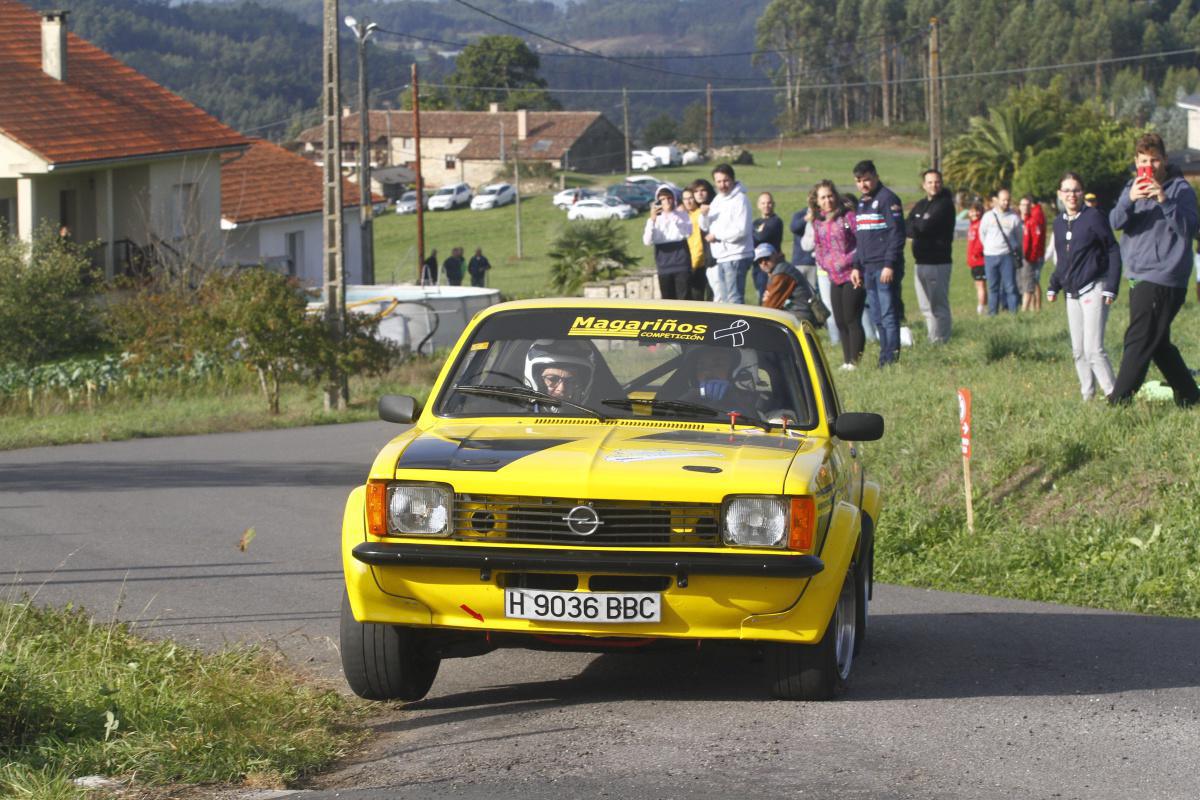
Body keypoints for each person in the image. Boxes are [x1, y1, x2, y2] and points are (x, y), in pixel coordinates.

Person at [1108, 132, 1200, 407]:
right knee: (1157, 342)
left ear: (1165, 160)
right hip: (1137, 274)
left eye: (1155, 160)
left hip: (1165, 277)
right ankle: (1191, 397)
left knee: (1138, 338)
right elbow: (1114, 221)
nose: (1150, 165)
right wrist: (1130, 199)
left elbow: (1190, 229)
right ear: (1137, 161)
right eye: (1144, 160)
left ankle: (1118, 402)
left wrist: (1164, 200)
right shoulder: (1131, 186)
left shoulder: (1180, 190)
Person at [1046, 172, 1122, 401]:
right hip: (1071, 293)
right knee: (1078, 351)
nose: (1072, 195)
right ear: (1060, 194)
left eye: (1076, 190)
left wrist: (1111, 286)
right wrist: (1054, 284)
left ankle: (1115, 395)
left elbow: (1113, 250)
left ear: (1083, 192)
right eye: (1067, 191)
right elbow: (1063, 258)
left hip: (1094, 287)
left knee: (1093, 349)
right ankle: (1087, 396)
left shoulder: (1094, 217)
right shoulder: (1059, 222)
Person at [802, 180, 863, 368]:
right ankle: (846, 361)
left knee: (852, 317)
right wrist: (825, 263)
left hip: (853, 274)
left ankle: (855, 360)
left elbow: (861, 242)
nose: (827, 200)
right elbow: (818, 246)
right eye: (823, 197)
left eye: (830, 196)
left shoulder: (847, 217)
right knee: (839, 320)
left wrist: (854, 264)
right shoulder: (818, 223)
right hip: (832, 276)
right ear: (817, 201)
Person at [852, 160, 905, 366]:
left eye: (866, 179)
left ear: (876, 176)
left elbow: (897, 234)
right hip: (868, 267)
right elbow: (861, 238)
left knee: (889, 314)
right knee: (877, 316)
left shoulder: (888, 199)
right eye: (858, 181)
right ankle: (884, 357)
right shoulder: (862, 202)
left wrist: (890, 264)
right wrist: (856, 266)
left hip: (885, 267)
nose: (863, 184)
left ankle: (891, 359)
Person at [907, 168, 956, 343]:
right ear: (924, 185)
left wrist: (918, 226)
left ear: (941, 183)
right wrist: (917, 225)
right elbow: (909, 225)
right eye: (930, 182)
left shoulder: (945, 205)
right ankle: (932, 338)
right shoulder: (921, 205)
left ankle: (941, 340)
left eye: (937, 182)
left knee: (938, 306)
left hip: (938, 262)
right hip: (920, 262)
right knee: (925, 307)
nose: (934, 185)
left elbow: (925, 227)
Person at [700, 164, 754, 304]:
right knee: (724, 301)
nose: (722, 185)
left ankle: (739, 326)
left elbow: (741, 230)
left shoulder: (740, 199)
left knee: (734, 298)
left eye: (725, 181)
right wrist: (704, 215)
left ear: (733, 179)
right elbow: (705, 226)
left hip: (737, 255)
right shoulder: (718, 200)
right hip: (721, 256)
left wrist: (716, 236)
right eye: (718, 182)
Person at [676, 345, 760, 416]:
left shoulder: (750, 402)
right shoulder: (689, 402)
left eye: (718, 365)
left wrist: (733, 396)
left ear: (734, 371)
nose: (707, 372)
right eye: (701, 367)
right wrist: (688, 399)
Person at [643, 184, 693, 300]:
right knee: (668, 299)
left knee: (684, 298)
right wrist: (653, 220)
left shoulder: (682, 215)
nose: (667, 202)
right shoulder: (653, 220)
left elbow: (687, 233)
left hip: (681, 262)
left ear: (674, 198)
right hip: (664, 263)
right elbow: (647, 241)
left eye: (669, 198)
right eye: (663, 199)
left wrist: (675, 218)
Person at [978, 188, 1023, 314]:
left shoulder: (1014, 218)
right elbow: (982, 233)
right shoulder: (988, 216)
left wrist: (1013, 249)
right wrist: (988, 246)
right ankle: (992, 313)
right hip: (990, 256)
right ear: (997, 200)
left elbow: (1019, 237)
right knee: (993, 287)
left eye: (1008, 200)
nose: (1006, 203)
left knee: (1010, 286)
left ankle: (1013, 313)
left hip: (1007, 256)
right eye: (1003, 200)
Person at [753, 243, 819, 326]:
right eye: (759, 261)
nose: (763, 263)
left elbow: (770, 306)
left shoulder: (782, 273)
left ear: (775, 255)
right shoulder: (777, 269)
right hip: (793, 314)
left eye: (766, 258)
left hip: (799, 316)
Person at [523, 339, 596, 412]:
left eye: (571, 381)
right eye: (552, 379)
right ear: (536, 380)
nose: (561, 389)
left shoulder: (598, 419)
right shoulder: (516, 419)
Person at [752, 192, 784, 303]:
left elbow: (761, 236)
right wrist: (757, 233)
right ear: (758, 205)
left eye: (769, 203)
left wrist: (756, 233)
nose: (766, 205)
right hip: (757, 264)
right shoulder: (756, 222)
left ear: (773, 204)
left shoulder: (776, 221)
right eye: (763, 203)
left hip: (770, 264)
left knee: (769, 295)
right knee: (759, 294)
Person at [681, 186, 712, 301]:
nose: (688, 201)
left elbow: (698, 243)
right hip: (688, 264)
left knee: (699, 297)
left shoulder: (699, 214)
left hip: (699, 263)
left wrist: (694, 263)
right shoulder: (685, 215)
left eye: (690, 198)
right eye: (685, 199)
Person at [1018, 194, 1047, 312]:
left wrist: (1032, 256)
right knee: (1030, 281)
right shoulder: (1022, 219)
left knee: (1032, 282)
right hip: (1026, 255)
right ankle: (1033, 308)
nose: (1025, 207)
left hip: (1032, 256)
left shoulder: (1035, 217)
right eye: (1022, 205)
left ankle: (1034, 308)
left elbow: (1036, 239)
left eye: (1027, 205)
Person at [966, 200, 987, 314]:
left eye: (977, 211)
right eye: (972, 211)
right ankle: (985, 307)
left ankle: (981, 308)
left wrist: (975, 253)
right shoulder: (972, 225)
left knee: (980, 285)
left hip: (979, 260)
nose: (974, 214)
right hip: (973, 261)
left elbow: (980, 242)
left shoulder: (980, 225)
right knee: (978, 285)